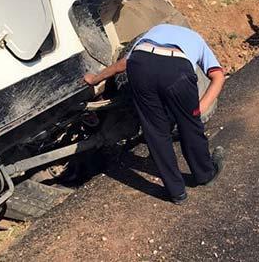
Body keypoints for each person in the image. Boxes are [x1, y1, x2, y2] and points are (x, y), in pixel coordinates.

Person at [84, 24, 226, 205]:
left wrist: (94, 79)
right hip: (176, 70)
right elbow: (218, 75)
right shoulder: (197, 39)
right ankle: (205, 174)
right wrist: (199, 109)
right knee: (189, 126)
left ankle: (177, 192)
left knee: (155, 131)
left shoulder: (153, 32)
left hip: (140, 65)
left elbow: (122, 65)